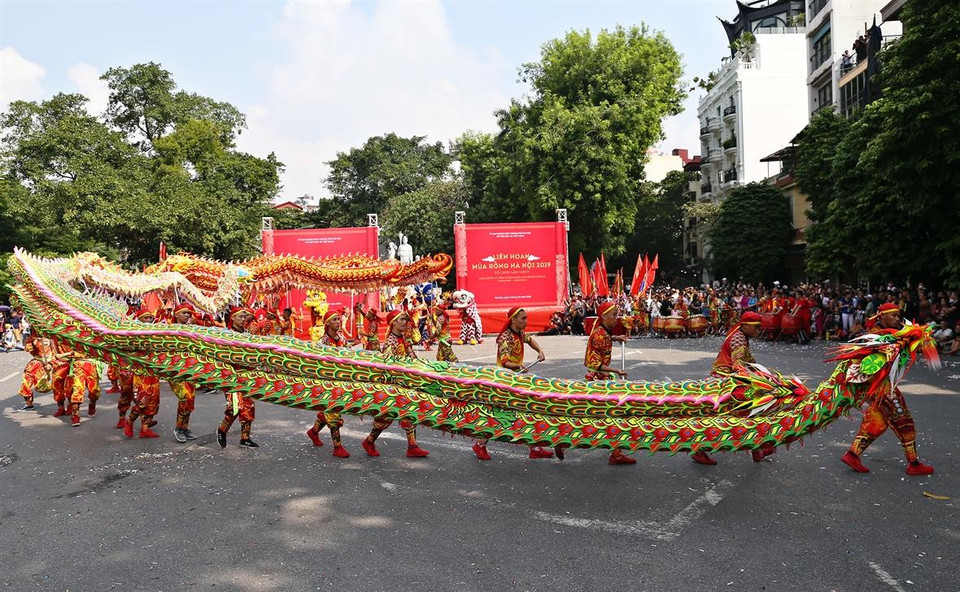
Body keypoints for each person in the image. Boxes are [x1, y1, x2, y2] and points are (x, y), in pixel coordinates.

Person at [841, 303, 934, 476]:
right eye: (894, 315)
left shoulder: (884, 334)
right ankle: (913, 463)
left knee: (878, 421)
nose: (898, 319)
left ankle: (852, 454)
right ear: (882, 317)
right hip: (881, 388)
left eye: (899, 315)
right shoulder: (878, 336)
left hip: (876, 388)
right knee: (904, 420)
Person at [472, 307, 551, 461]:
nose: (526, 321)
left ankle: (534, 447)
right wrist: (518, 366)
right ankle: (480, 444)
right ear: (513, 320)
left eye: (526, 318)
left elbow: (531, 340)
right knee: (500, 415)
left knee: (529, 411)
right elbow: (505, 361)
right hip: (505, 382)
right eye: (523, 318)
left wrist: (540, 350)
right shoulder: (505, 338)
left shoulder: (519, 333)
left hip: (516, 380)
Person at [694, 311, 771, 465]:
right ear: (746, 325)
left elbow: (748, 361)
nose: (758, 330)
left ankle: (758, 448)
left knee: (752, 410)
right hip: (725, 383)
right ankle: (699, 449)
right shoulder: (738, 338)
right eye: (756, 327)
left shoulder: (740, 334)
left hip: (726, 380)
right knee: (734, 416)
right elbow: (739, 366)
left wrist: (764, 375)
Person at [361, 310, 430, 458]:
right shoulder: (390, 343)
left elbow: (412, 358)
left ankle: (412, 446)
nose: (405, 322)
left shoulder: (403, 339)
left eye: (406, 320)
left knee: (410, 414)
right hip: (393, 387)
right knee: (384, 419)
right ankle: (369, 441)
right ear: (393, 323)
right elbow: (387, 369)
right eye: (402, 320)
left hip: (404, 385)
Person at [584, 301, 635, 465]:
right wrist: (617, 371)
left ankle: (616, 452)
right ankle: (563, 441)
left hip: (604, 379)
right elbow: (594, 364)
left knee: (613, 415)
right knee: (606, 416)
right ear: (604, 316)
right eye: (614, 315)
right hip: (598, 381)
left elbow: (605, 338)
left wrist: (616, 337)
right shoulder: (599, 334)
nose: (616, 318)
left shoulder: (604, 332)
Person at [305, 310, 351, 458]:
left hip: (340, 381)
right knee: (333, 412)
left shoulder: (341, 339)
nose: (339, 322)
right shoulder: (321, 343)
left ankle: (313, 432)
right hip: (327, 383)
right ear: (327, 323)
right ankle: (337, 446)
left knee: (330, 411)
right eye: (335, 320)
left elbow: (349, 356)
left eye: (339, 319)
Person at [217, 306, 259, 448]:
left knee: (249, 406)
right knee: (234, 407)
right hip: (230, 376)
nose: (243, 319)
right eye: (240, 316)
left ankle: (245, 438)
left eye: (244, 317)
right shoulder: (225, 334)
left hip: (246, 376)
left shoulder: (247, 335)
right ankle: (222, 430)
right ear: (232, 317)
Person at [124, 309, 162, 438]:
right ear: (139, 319)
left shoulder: (154, 335)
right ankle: (129, 422)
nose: (148, 321)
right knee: (142, 402)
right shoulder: (133, 335)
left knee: (153, 401)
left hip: (152, 372)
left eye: (150, 318)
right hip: (140, 373)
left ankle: (145, 429)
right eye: (145, 318)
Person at [170, 303, 199, 443]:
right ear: (176, 314)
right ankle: (178, 428)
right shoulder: (170, 330)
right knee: (184, 398)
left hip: (190, 369)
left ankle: (185, 428)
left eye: (189, 313)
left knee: (190, 400)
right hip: (175, 369)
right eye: (184, 313)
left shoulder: (191, 329)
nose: (187, 315)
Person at [17, 332, 56, 410]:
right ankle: (28, 403)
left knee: (49, 385)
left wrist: (51, 364)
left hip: (47, 364)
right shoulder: (33, 339)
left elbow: (56, 354)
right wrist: (32, 341)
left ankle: (64, 404)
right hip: (35, 364)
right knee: (26, 381)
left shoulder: (53, 338)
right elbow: (29, 349)